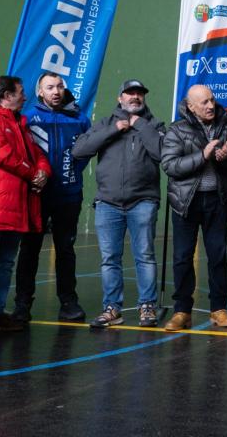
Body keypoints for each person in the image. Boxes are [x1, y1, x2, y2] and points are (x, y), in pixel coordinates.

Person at [72, 80, 164, 329]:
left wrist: (139, 124)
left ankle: (147, 307)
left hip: (143, 201)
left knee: (145, 256)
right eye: (130, 93)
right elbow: (79, 151)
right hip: (108, 203)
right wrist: (115, 129)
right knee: (110, 259)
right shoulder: (104, 124)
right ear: (119, 98)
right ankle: (112, 308)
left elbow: (161, 153)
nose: (135, 97)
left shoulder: (154, 125)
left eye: (139, 93)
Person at [0, 75, 51, 340]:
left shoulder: (18, 122)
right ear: (7, 96)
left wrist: (43, 171)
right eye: (21, 92)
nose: (25, 97)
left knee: (4, 263)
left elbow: (37, 155)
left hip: (15, 205)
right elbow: (1, 154)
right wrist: (32, 173)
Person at [159, 85, 227, 331]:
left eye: (212, 100)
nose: (211, 106)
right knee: (182, 257)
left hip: (217, 200)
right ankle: (182, 311)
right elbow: (170, 166)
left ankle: (219, 309)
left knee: (218, 256)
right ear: (191, 106)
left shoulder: (226, 123)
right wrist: (203, 155)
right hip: (185, 201)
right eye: (204, 102)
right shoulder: (177, 129)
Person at [12, 72, 91, 323]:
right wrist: (33, 178)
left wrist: (71, 172)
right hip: (36, 195)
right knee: (30, 249)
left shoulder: (79, 119)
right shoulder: (27, 118)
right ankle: (22, 304)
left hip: (69, 195)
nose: (55, 91)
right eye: (49, 87)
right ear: (40, 92)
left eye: (59, 86)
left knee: (65, 249)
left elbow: (87, 151)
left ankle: (68, 302)